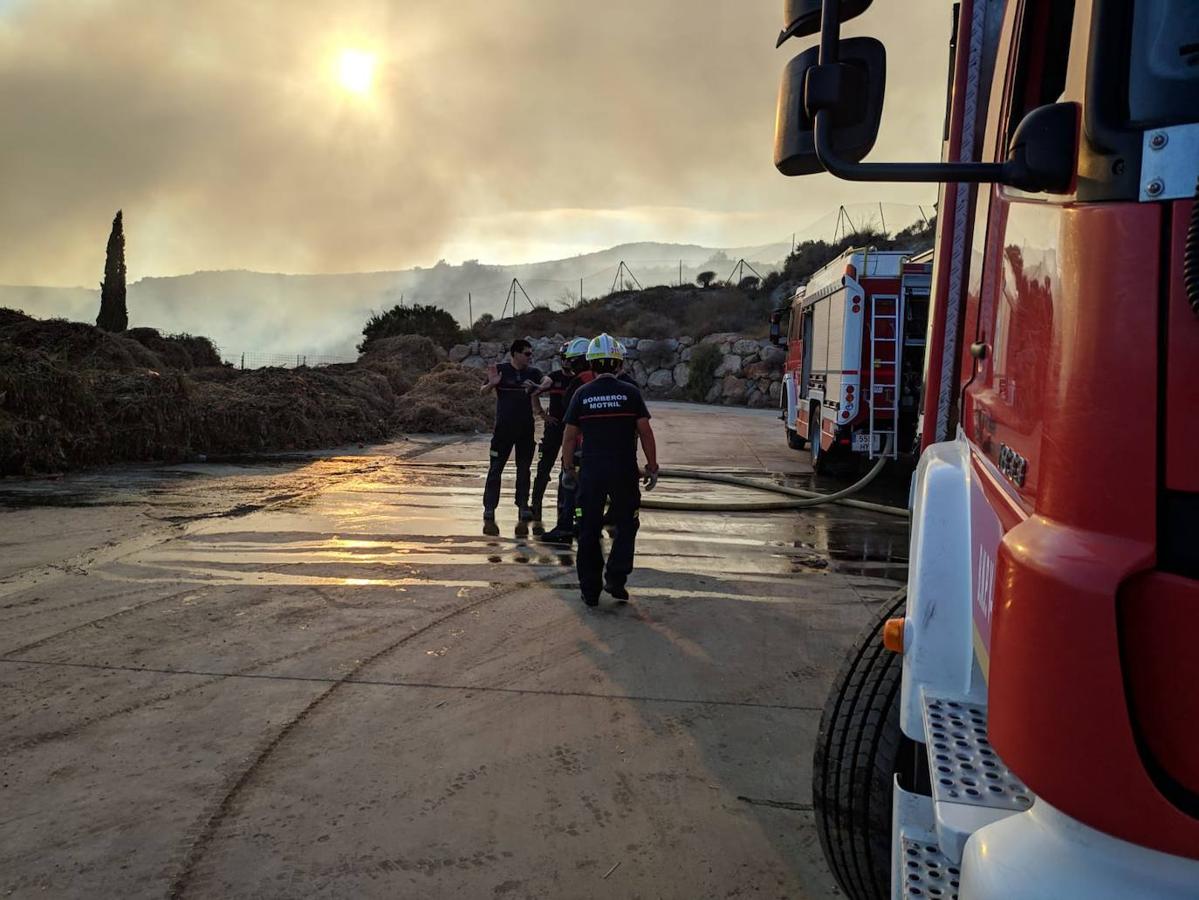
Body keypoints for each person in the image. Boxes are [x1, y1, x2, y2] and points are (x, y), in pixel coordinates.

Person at [561, 333, 659, 606]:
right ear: (618, 365)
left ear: (591, 365)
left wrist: (569, 468)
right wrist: (652, 467)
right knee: (627, 525)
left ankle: (590, 590)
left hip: (591, 473)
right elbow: (646, 433)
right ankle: (616, 578)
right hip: (624, 471)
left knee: (588, 529)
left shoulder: (582, 394)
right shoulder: (630, 393)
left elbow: (569, 437)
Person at [480, 338, 551, 534]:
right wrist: (492, 384)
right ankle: (489, 508)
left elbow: (547, 380)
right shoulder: (501, 370)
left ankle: (522, 506)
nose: (530, 357)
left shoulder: (533, 373)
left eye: (531, 354)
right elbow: (482, 392)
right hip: (503, 431)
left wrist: (538, 387)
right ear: (515, 353)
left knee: (524, 469)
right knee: (495, 469)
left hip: (525, 430)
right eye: (527, 354)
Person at [538, 337, 591, 545]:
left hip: (579, 444)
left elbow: (571, 424)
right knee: (588, 488)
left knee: (569, 484)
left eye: (571, 360)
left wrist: (567, 459)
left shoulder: (579, 384)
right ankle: (583, 524)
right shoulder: (598, 380)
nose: (568, 364)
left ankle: (565, 526)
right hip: (597, 446)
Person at [528, 340, 578, 525]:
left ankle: (563, 507)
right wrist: (541, 414)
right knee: (544, 468)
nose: (566, 362)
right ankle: (535, 503)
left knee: (568, 468)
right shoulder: (553, 377)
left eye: (569, 359)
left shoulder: (578, 379)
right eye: (563, 358)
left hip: (571, 430)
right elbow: (535, 393)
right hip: (553, 429)